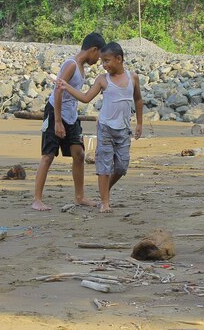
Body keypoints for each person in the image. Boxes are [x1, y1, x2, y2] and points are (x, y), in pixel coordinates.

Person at [58, 42, 143, 213]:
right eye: (103, 61)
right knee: (104, 165)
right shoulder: (103, 80)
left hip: (124, 129)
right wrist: (67, 87)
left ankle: (104, 191)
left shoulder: (132, 77)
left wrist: (140, 122)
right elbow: (85, 97)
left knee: (121, 166)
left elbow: (138, 100)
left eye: (107, 61)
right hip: (105, 128)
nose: (104, 65)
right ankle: (105, 202)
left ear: (119, 59)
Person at [32, 32, 106, 211]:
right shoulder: (71, 64)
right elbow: (58, 90)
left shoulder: (81, 68)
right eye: (99, 56)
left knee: (79, 154)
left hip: (71, 116)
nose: (99, 61)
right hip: (55, 113)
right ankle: (37, 199)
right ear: (93, 50)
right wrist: (57, 121)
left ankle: (79, 196)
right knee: (48, 155)